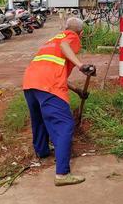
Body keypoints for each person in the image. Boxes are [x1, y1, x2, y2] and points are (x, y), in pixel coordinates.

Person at [23, 17, 96, 186]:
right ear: (81, 33)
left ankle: (42, 152)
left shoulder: (52, 40)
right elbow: (65, 46)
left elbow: (53, 70)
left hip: (30, 83)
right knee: (64, 125)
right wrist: (80, 66)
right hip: (49, 86)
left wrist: (77, 90)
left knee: (39, 120)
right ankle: (62, 174)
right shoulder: (71, 37)